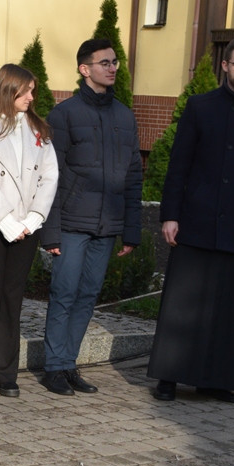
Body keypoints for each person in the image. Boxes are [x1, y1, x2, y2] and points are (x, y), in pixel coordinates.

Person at [148, 37, 234, 403]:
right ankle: (168, 377)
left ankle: (215, 380)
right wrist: (171, 215)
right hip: (195, 220)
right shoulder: (199, 107)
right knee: (182, 303)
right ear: (225, 66)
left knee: (227, 307)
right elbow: (179, 166)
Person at [40, 38, 142, 396]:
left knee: (87, 295)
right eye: (104, 63)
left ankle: (69, 364)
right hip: (70, 223)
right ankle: (53, 367)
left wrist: (131, 230)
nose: (113, 68)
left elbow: (133, 176)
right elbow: (49, 175)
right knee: (64, 293)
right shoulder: (64, 115)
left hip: (107, 225)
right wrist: (49, 233)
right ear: (85, 69)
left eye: (115, 62)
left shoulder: (125, 116)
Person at [0, 64, 58, 399]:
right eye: (26, 91)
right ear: (8, 90)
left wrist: (33, 219)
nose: (32, 97)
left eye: (33, 91)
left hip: (26, 227)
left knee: (12, 300)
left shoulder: (38, 129)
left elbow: (50, 176)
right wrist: (5, 221)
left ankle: (7, 371)